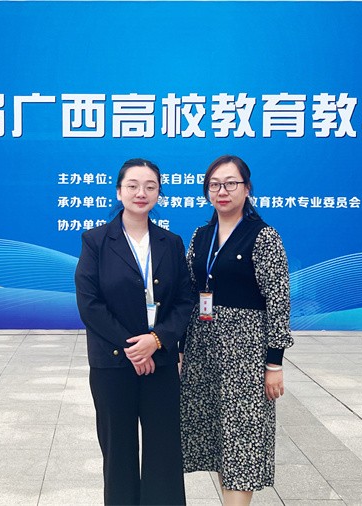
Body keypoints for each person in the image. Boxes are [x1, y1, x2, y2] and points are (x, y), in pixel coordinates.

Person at [75, 158, 194, 506]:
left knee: (164, 452)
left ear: (158, 193)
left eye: (150, 186)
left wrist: (156, 341)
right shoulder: (96, 241)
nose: (141, 193)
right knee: (119, 454)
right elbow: (90, 304)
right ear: (119, 191)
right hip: (113, 365)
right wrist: (133, 347)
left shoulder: (171, 242)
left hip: (161, 363)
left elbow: (185, 300)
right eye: (133, 185)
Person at [180, 155, 293, 505]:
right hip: (204, 347)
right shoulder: (201, 236)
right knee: (219, 437)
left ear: (247, 188)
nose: (222, 191)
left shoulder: (263, 236)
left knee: (242, 439)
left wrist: (274, 363)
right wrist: (181, 349)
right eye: (214, 184)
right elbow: (188, 291)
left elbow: (278, 301)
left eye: (231, 183)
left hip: (245, 353)